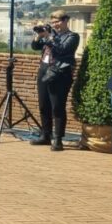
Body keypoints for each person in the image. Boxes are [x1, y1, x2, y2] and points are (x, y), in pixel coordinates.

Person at [30, 10, 79, 151]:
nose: (55, 24)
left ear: (65, 21)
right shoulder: (51, 35)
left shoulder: (72, 36)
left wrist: (50, 37)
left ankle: (58, 139)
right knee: (43, 105)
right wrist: (39, 36)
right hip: (44, 70)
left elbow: (62, 49)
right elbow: (35, 47)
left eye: (57, 21)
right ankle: (45, 135)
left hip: (59, 73)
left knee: (57, 107)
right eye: (53, 22)